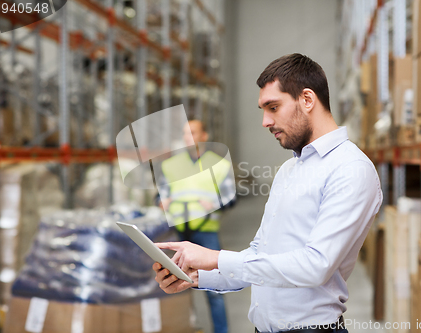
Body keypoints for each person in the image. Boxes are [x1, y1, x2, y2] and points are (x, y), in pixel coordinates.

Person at [153, 54, 383, 333]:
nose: (265, 121)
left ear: (307, 100)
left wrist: (214, 257)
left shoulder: (351, 169)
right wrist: (197, 277)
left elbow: (316, 265)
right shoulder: (289, 170)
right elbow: (260, 255)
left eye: (273, 107)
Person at [157, 119, 235, 333]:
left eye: (192, 133)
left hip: (206, 232)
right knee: (175, 286)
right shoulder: (170, 165)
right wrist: (161, 201)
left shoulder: (219, 165)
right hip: (178, 232)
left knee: (215, 288)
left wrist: (215, 203)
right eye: (184, 133)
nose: (187, 138)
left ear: (204, 136)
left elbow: (230, 197)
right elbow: (160, 194)